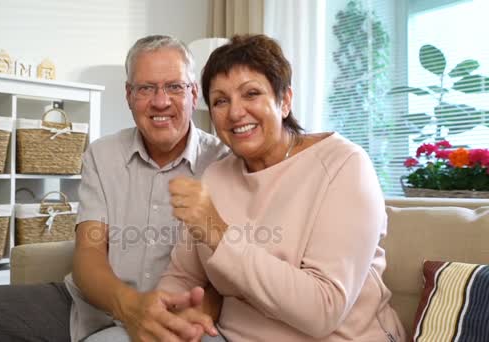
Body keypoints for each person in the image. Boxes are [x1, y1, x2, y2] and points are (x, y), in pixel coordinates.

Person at [0, 35, 228, 342]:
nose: (160, 101)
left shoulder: (223, 162)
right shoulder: (103, 154)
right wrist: (130, 308)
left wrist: (205, 307)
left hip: (176, 314)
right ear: (129, 95)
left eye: (174, 86)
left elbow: (235, 260)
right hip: (83, 305)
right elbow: (89, 252)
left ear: (194, 94)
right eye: (146, 88)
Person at [158, 34, 407, 341]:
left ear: (285, 100)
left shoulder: (344, 165)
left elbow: (323, 310)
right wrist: (165, 314)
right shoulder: (215, 177)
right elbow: (182, 275)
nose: (235, 112)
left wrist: (219, 233)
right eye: (221, 100)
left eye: (251, 94)